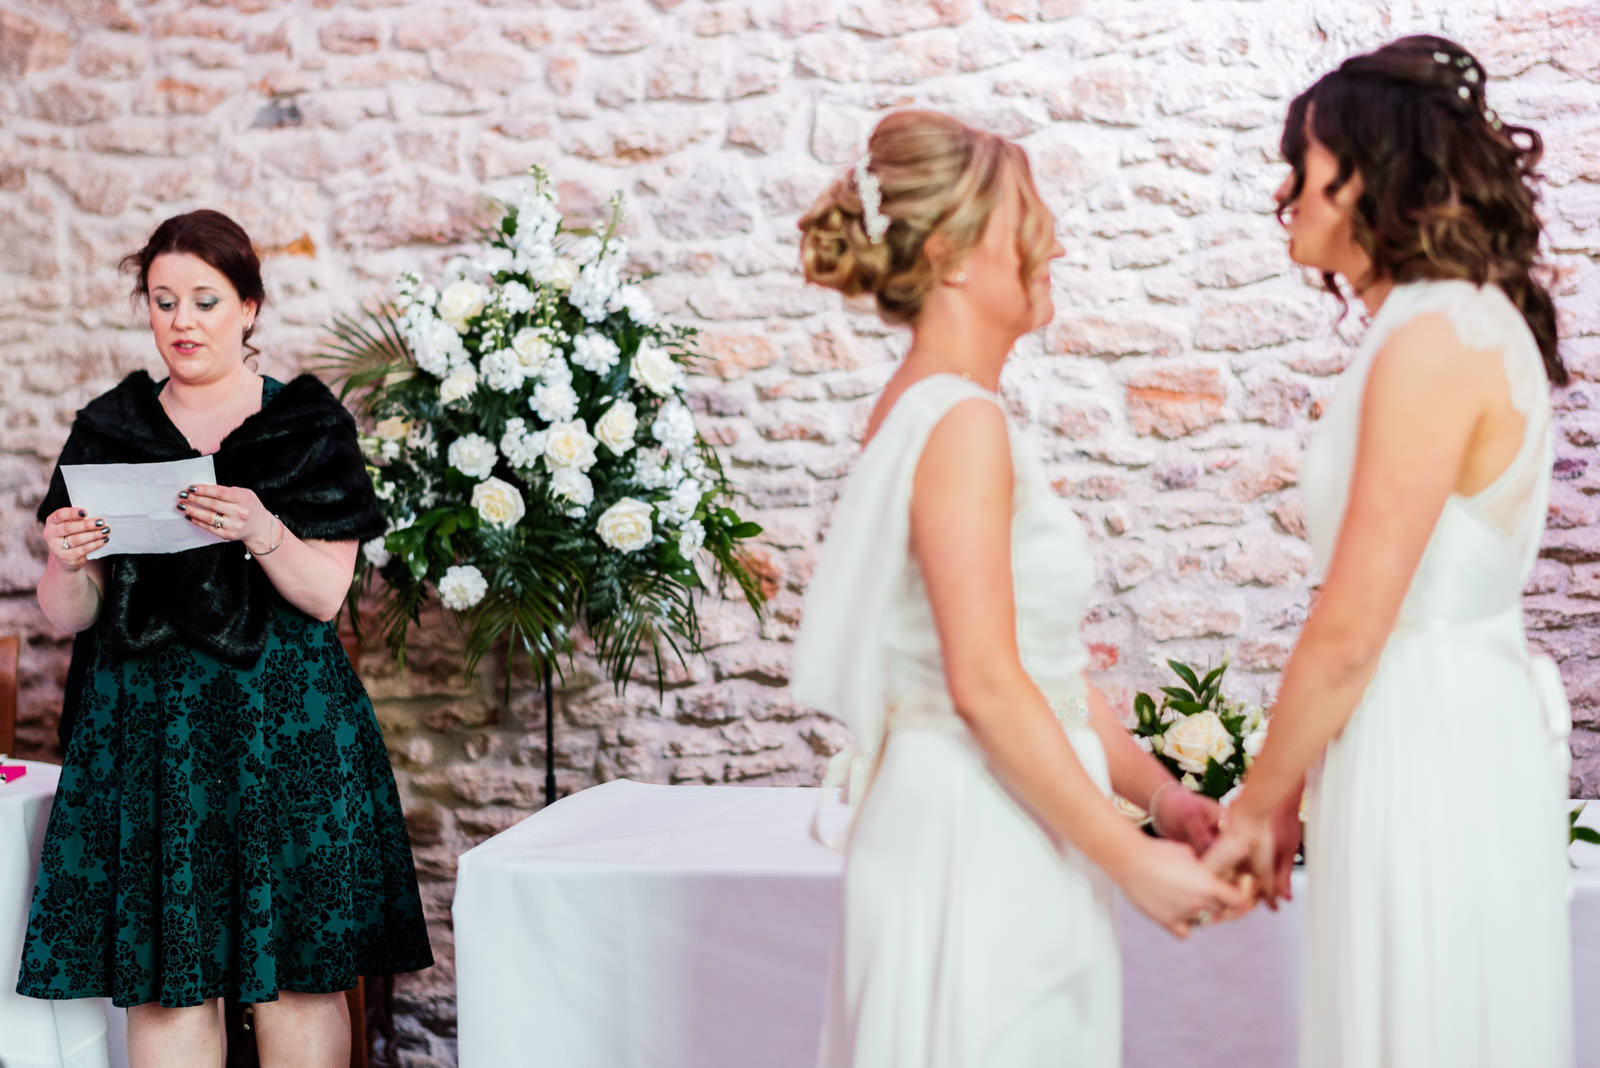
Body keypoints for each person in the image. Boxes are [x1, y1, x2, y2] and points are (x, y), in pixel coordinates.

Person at [791, 110, 1248, 1067]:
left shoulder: (948, 408)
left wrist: (1161, 800)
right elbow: (986, 681)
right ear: (955, 256)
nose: (1057, 241)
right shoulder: (959, 422)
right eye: (1028, 218)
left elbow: (1038, 664)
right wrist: (1129, 861)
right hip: (975, 834)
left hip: (1005, 822)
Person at [1203, 35, 1573, 1068]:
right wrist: (1302, 784)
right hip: (1418, 729)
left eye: (1305, 165)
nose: (1287, 192)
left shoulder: (1434, 336)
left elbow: (1354, 623)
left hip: (1430, 741)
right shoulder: (1436, 324)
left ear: (1368, 176)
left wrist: (1258, 803)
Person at [18, 209, 433, 1068]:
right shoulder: (109, 430)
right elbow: (71, 614)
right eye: (163, 300)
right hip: (148, 737)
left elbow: (323, 598)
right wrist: (62, 561)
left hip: (287, 734)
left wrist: (262, 527)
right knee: (172, 980)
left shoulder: (309, 428)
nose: (182, 320)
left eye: (205, 299)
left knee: (300, 978)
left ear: (248, 306)